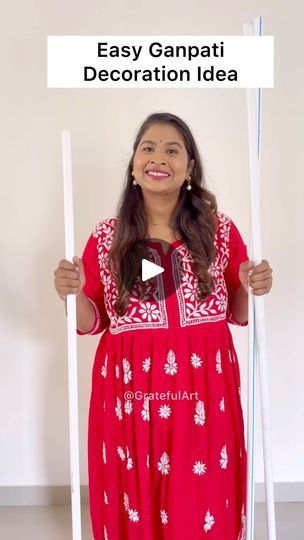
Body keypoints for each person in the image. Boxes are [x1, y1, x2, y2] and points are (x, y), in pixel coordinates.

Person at [54, 112, 273, 540]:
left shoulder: (220, 232)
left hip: (204, 392)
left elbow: (240, 313)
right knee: (137, 497)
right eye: (147, 148)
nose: (158, 158)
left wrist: (252, 284)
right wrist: (73, 292)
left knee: (200, 497)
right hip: (131, 393)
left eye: (173, 150)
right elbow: (90, 321)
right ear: (134, 166)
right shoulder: (107, 238)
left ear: (189, 168)